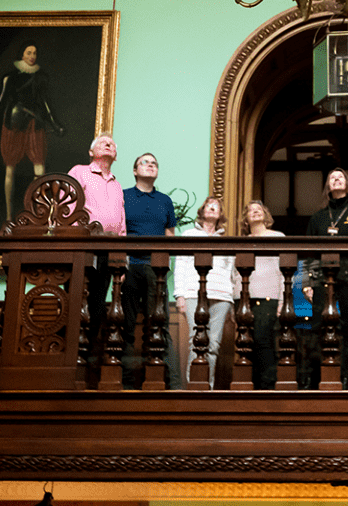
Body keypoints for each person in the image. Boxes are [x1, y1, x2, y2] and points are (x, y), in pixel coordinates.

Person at [303, 168, 348, 390]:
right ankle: (317, 377)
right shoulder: (318, 217)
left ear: (347, 183)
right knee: (318, 327)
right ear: (327, 186)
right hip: (323, 279)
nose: (336, 179)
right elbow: (310, 252)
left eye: (340, 176)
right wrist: (308, 282)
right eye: (332, 177)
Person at [121, 152, 182, 389]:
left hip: (155, 270)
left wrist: (164, 268)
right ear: (135, 171)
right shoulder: (124, 196)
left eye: (154, 163)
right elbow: (118, 229)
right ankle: (125, 384)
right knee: (125, 326)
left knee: (160, 326)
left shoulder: (164, 200)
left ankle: (172, 383)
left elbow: (170, 236)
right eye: (144, 162)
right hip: (128, 269)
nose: (150, 165)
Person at [0, 43, 64, 220]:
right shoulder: (11, 77)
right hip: (13, 124)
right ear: (22, 55)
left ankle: (37, 213)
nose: (32, 56)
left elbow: (46, 104)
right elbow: (0, 103)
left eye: (35, 53)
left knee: (39, 168)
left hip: (34, 124)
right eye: (29, 52)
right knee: (10, 168)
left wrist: (54, 124)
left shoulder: (41, 77)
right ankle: (8, 216)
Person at [68, 134, 125, 363]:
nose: (109, 144)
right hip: (82, 246)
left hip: (107, 250)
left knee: (98, 305)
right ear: (91, 152)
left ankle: (87, 357)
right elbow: (67, 205)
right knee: (75, 302)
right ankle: (71, 359)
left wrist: (122, 258)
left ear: (116, 155)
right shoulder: (79, 172)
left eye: (112, 143)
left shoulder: (117, 183)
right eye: (103, 142)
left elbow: (121, 223)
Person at [173, 196, 239, 388]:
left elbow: (232, 273)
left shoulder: (226, 242)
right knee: (197, 341)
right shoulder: (188, 235)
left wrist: (232, 300)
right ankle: (195, 386)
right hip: (194, 293)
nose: (212, 208)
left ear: (220, 214)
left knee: (214, 344)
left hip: (222, 296)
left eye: (216, 206)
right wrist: (180, 295)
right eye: (208, 205)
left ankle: (207, 388)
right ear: (202, 212)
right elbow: (181, 266)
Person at [242, 200, 284, 389]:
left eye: (259, 209)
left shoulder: (278, 237)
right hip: (243, 298)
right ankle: (249, 387)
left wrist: (283, 299)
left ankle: (267, 388)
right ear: (246, 219)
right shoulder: (242, 241)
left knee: (264, 342)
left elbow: (284, 272)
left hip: (268, 296)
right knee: (245, 345)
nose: (255, 212)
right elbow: (236, 274)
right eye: (251, 210)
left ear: (266, 216)